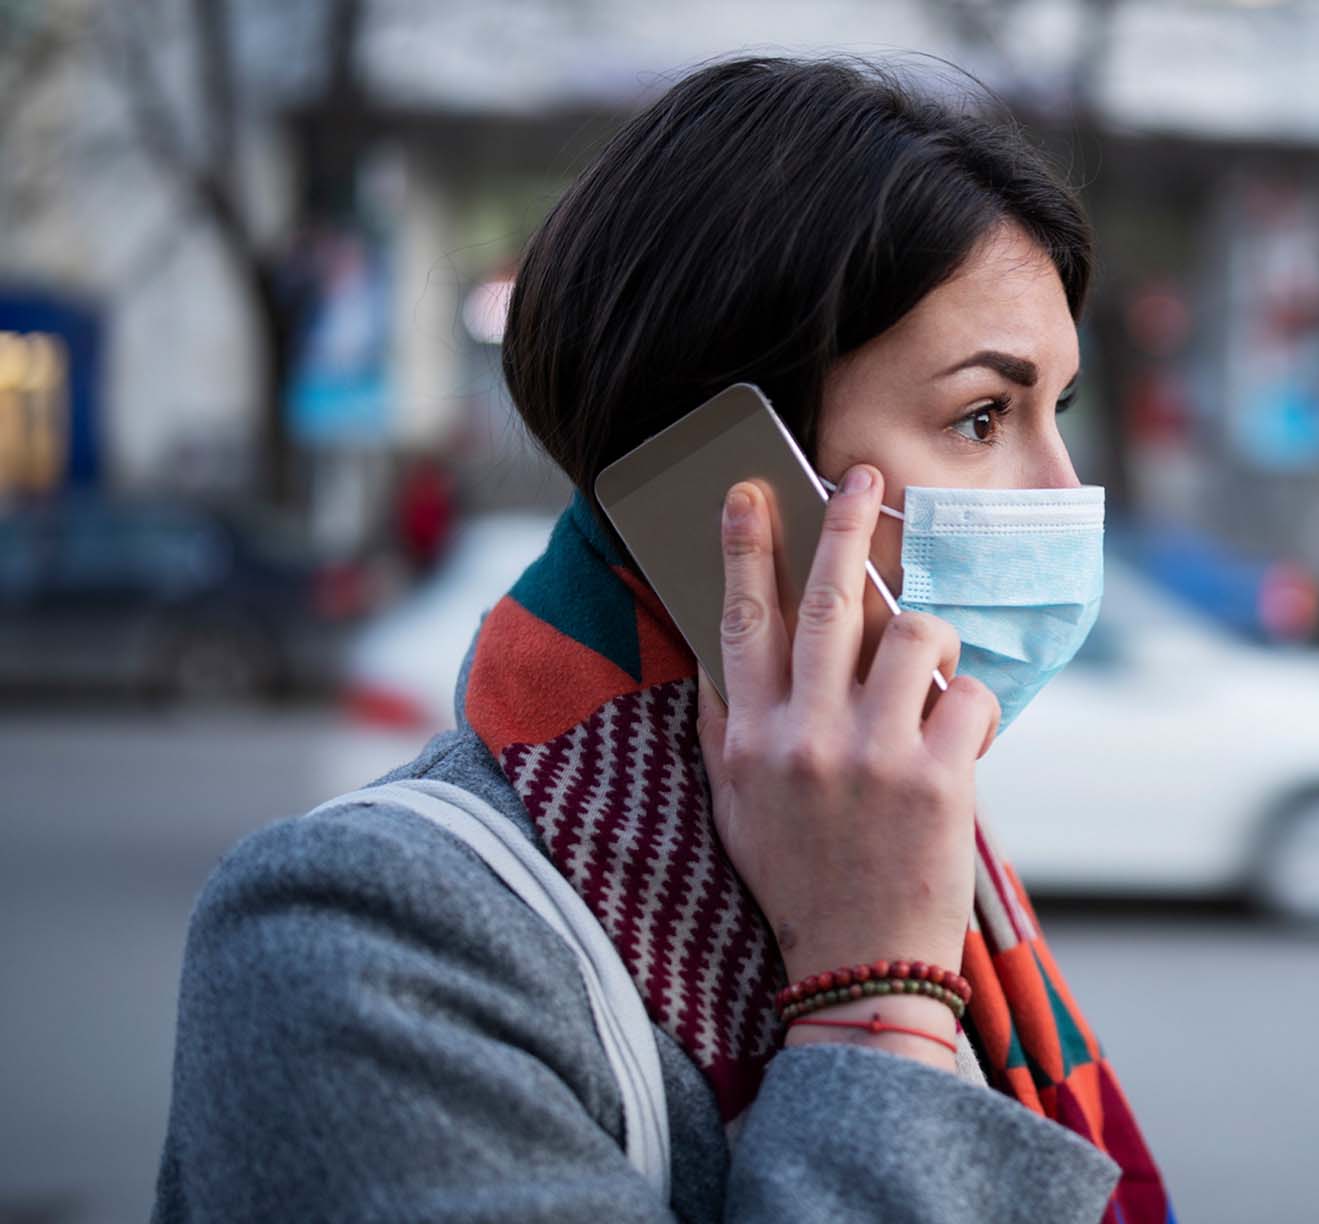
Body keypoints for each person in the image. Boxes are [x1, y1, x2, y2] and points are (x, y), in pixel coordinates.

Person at [155, 55, 1172, 1223]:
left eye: (1059, 412)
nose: (1062, 493)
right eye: (982, 416)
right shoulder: (363, 943)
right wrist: (874, 992)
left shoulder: (902, 840)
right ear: (733, 484)